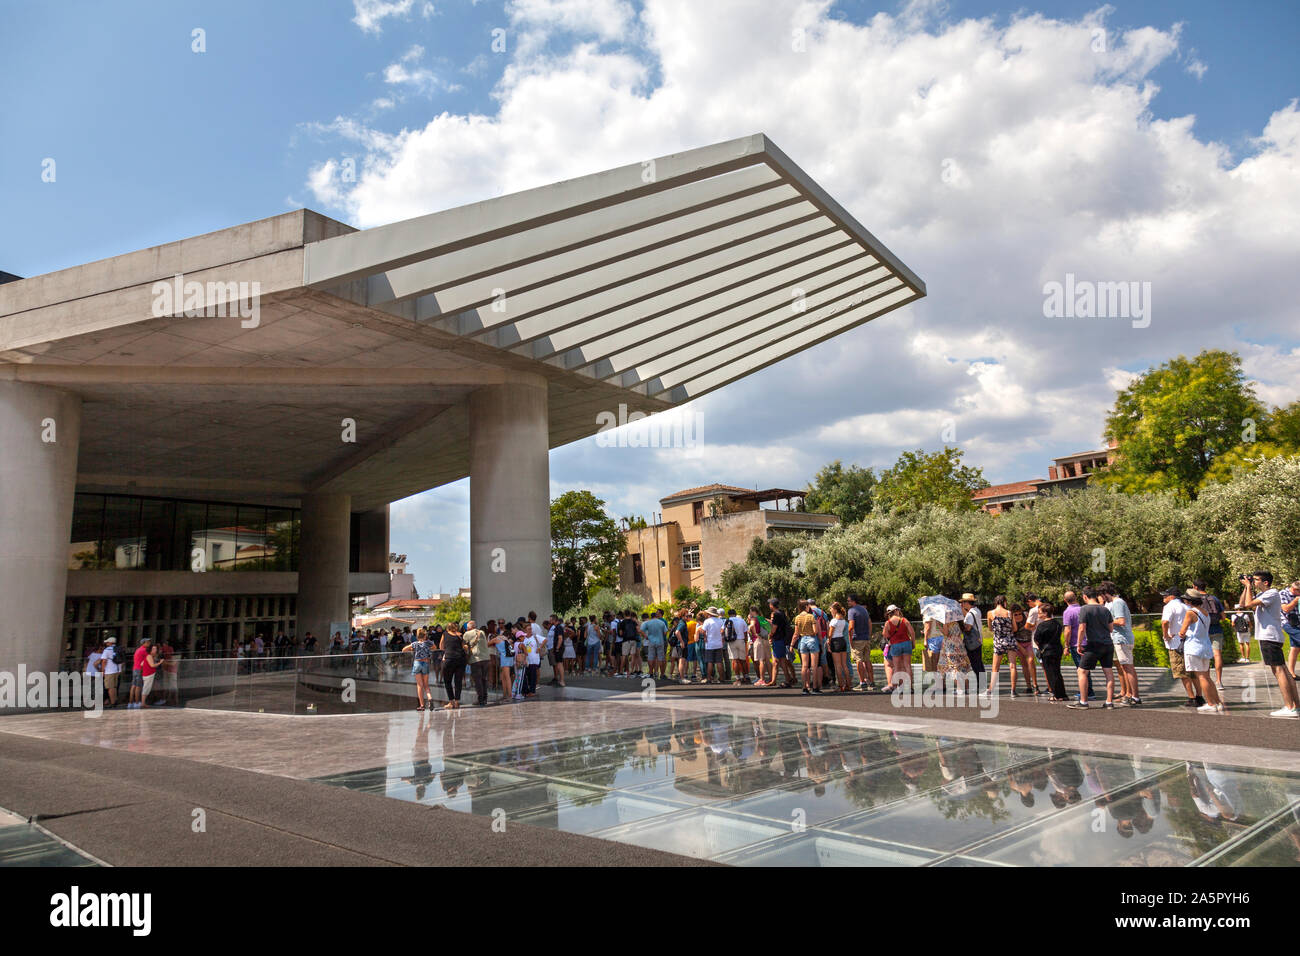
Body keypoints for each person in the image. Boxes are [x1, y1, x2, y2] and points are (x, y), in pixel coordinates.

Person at [1238, 571, 1300, 718]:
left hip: (1270, 637)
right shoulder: (1263, 595)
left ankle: (1289, 706)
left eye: (1256, 580)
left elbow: (1248, 604)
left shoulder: (1272, 593)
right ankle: (1295, 705)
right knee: (1283, 670)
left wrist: (1248, 586)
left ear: (1266, 582)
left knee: (1279, 671)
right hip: (1271, 637)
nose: (1254, 581)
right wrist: (1247, 587)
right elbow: (1242, 604)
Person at [1068, 586, 1115, 710]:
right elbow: (1111, 628)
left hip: (1093, 644)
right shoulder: (1105, 609)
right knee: (1108, 673)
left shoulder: (1084, 609)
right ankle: (1109, 702)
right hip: (1108, 644)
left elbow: (1082, 628)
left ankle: (1083, 701)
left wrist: (1078, 644)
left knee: (1082, 671)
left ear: (1085, 597)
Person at [1179, 591, 1224, 714]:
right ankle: (1218, 702)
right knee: (1207, 677)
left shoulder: (1190, 613)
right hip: (1205, 646)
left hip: (1194, 647)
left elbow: (1182, 631)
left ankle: (1210, 703)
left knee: (1201, 677)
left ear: (1189, 601)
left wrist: (1180, 633)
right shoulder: (1205, 612)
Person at [1160, 587, 1200, 708]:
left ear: (1172, 596)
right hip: (1189, 642)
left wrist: (1165, 635)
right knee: (1193, 671)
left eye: (1165, 595)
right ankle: (1199, 696)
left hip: (1176, 643)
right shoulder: (1187, 606)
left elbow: (1165, 622)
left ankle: (1191, 697)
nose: (1163, 598)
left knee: (1182, 672)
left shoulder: (1169, 607)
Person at [1102, 582, 1141, 706]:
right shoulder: (1115, 602)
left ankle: (1134, 697)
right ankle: (1131, 695)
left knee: (1128, 668)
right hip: (1119, 639)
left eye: (1102, 595)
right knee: (1126, 667)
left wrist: (1106, 621)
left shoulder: (1117, 602)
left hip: (1122, 639)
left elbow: (1121, 621)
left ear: (1105, 593)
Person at [1194, 579, 1227, 689]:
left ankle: (1206, 680)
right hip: (1216, 629)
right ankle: (1219, 681)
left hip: (1202, 631)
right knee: (1217, 655)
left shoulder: (1196, 600)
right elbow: (1223, 617)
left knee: (1204, 656)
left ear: (1195, 587)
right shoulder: (1214, 598)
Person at [985, 595, 1019, 698]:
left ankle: (991, 689)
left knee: (995, 667)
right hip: (1010, 640)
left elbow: (990, 628)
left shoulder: (990, 613)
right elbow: (1015, 628)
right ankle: (1013, 690)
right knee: (1012, 666)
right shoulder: (1009, 613)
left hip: (998, 641)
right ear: (1004, 602)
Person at [1033, 603, 1068, 701]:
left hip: (1047, 651)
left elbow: (1036, 639)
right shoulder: (1057, 623)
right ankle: (1062, 693)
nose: (1038, 614)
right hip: (1057, 649)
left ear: (1045, 613)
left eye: (1040, 612)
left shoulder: (1042, 625)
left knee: (1050, 673)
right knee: (1057, 672)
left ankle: (1056, 694)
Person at [792, 599, 822, 695]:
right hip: (812, 639)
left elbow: (796, 633)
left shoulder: (797, 618)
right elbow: (815, 631)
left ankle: (805, 687)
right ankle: (815, 688)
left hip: (802, 640)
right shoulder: (811, 617)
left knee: (804, 666)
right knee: (814, 666)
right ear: (806, 606)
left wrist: (792, 645)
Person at [881, 605, 914, 690]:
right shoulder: (904, 620)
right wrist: (913, 643)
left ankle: (895, 686)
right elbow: (912, 632)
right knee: (907, 666)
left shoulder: (888, 623)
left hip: (895, 645)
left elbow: (885, 634)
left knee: (896, 667)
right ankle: (910, 686)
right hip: (906, 643)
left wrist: (891, 638)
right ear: (896, 611)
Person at [846, 594, 875, 692]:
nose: (848, 602)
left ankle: (862, 682)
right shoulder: (864, 610)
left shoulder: (851, 611)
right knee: (867, 660)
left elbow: (850, 627)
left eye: (849, 600)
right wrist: (868, 635)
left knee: (858, 660)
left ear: (853, 601)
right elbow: (869, 623)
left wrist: (850, 639)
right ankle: (871, 682)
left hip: (857, 639)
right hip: (866, 638)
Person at [402, 629, 435, 710]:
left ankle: (422, 705)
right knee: (426, 685)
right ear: (425, 635)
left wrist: (411, 649)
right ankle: (429, 697)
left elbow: (403, 650)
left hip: (417, 663)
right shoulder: (428, 643)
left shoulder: (415, 644)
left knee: (419, 685)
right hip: (426, 662)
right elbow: (434, 648)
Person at [768, 598, 795, 689]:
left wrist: (770, 635)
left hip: (778, 639)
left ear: (772, 605)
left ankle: (787, 679)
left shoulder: (776, 614)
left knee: (781, 660)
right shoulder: (781, 613)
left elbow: (774, 628)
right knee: (779, 660)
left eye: (770, 604)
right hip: (782, 639)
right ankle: (781, 679)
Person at [959, 593, 985, 685]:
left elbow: (968, 628)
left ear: (967, 603)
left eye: (963, 602)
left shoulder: (970, 614)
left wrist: (961, 625)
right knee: (979, 663)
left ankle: (980, 685)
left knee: (975, 664)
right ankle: (982, 684)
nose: (962, 604)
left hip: (972, 643)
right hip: (978, 640)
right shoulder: (977, 611)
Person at [440, 623, 467, 710]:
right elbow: (463, 647)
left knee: (448, 681)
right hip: (460, 660)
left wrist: (447, 650)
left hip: (449, 659)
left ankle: (451, 702)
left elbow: (441, 646)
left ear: (447, 628)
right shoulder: (460, 635)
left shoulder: (445, 634)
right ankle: (457, 702)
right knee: (458, 681)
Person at [465, 620, 492, 705]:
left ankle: (480, 699)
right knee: (484, 679)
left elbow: (464, 645)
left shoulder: (467, 634)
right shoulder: (482, 632)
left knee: (478, 680)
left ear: (469, 628)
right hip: (486, 659)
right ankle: (485, 698)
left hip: (476, 659)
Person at [826, 602, 852, 692]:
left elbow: (830, 634)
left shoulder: (834, 621)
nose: (830, 610)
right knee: (844, 665)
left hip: (835, 641)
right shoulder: (843, 620)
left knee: (838, 665)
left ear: (835, 610)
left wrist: (828, 641)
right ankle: (848, 685)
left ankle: (841, 685)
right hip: (842, 640)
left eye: (831, 608)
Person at [642, 609, 669, 682]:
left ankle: (651, 673)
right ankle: (662, 674)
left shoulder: (648, 623)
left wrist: (646, 637)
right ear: (656, 616)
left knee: (651, 657)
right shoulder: (661, 622)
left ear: (651, 616)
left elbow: (641, 630)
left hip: (651, 642)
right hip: (660, 641)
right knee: (661, 658)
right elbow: (666, 632)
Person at [725, 607, 750, 685]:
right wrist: (745, 641)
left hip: (732, 641)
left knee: (735, 660)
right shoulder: (741, 620)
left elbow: (722, 631)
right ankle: (746, 677)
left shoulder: (728, 621)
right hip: (741, 640)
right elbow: (745, 632)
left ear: (729, 615)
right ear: (735, 614)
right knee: (743, 660)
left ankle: (737, 679)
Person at [748, 606, 772, 686]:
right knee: (768, 660)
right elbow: (771, 623)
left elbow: (751, 626)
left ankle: (762, 679)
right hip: (766, 640)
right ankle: (771, 678)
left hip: (758, 640)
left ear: (752, 611)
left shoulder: (754, 619)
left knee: (761, 660)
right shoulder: (762, 618)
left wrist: (754, 633)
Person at [100, 637, 121, 708]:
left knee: (109, 687)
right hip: (116, 670)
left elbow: (104, 661)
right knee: (114, 687)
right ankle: (115, 701)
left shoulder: (107, 650)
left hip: (109, 671)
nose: (106, 643)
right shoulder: (118, 649)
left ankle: (112, 703)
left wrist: (102, 670)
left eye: (107, 642)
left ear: (110, 643)